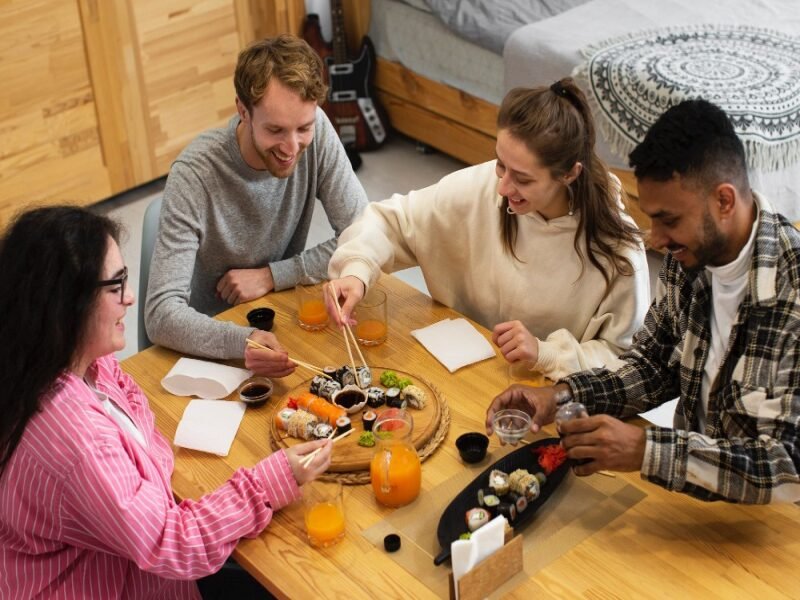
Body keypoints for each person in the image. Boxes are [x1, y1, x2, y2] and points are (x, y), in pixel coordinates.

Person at [0, 207, 332, 598]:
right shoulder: (76, 443)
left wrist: (147, 480)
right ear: (65, 304)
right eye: (116, 285)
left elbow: (132, 399)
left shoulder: (64, 358)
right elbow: (175, 544)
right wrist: (273, 480)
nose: (129, 297)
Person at [486, 99, 800, 504]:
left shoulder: (790, 294)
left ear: (724, 201)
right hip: (690, 504)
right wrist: (559, 396)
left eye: (668, 220)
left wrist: (645, 449)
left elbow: (786, 468)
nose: (655, 239)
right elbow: (653, 366)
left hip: (774, 536)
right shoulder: (688, 257)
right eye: (652, 218)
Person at [327, 78, 649, 381]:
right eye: (500, 164)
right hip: (465, 376)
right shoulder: (486, 186)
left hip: (546, 400)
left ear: (569, 174)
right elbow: (391, 220)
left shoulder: (617, 249)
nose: (502, 186)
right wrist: (357, 269)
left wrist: (547, 354)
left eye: (523, 179)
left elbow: (625, 360)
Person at [145, 34, 368, 378]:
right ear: (242, 111)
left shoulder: (318, 131)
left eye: (303, 128)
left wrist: (272, 276)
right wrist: (244, 340)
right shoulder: (194, 175)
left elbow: (363, 232)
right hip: (215, 345)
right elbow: (161, 314)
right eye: (275, 129)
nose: (292, 146)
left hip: (281, 318)